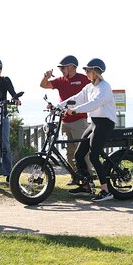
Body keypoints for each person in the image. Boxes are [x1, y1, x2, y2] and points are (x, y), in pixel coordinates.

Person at [58, 58, 116, 202]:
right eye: (85, 70)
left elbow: (94, 104)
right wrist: (59, 106)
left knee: (93, 156)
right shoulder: (89, 87)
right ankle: (86, 186)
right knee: (79, 154)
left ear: (96, 72)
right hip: (94, 122)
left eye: (88, 70)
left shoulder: (104, 87)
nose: (86, 73)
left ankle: (105, 191)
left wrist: (75, 111)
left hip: (105, 123)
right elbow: (76, 98)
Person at [40, 55, 92, 185]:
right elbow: (43, 85)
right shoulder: (61, 80)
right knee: (70, 152)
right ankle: (75, 176)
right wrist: (46, 76)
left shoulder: (83, 79)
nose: (61, 70)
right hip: (65, 121)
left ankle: (87, 178)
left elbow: (95, 88)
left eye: (63, 67)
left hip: (79, 120)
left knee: (82, 151)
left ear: (71, 67)